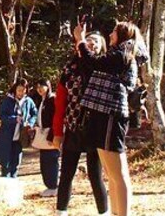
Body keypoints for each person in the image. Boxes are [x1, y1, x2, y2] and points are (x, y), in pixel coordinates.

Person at [75, 21, 148, 216]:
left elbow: (95, 63)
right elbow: (90, 66)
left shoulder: (123, 54)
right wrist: (80, 45)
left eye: (114, 31)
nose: (110, 35)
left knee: (118, 173)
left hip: (111, 115)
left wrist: (81, 41)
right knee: (111, 173)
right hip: (102, 113)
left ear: (123, 35)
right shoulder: (118, 53)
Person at [52, 30, 110, 216]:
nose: (91, 43)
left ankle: (104, 212)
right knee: (67, 173)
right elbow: (60, 103)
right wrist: (57, 132)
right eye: (89, 40)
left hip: (96, 129)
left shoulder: (104, 66)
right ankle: (61, 211)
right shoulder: (70, 68)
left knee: (95, 174)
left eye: (96, 42)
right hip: (73, 126)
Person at [0, 78, 37, 178]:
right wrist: (14, 119)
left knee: (16, 162)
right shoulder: (8, 100)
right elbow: (2, 116)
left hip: (20, 137)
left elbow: (34, 114)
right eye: (19, 90)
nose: (21, 93)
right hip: (7, 136)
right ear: (15, 89)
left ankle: (13, 181)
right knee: (6, 163)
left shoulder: (28, 101)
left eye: (23, 90)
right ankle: (5, 183)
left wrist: (30, 123)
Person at [32, 79, 60, 197]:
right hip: (43, 134)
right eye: (37, 87)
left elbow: (57, 118)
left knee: (51, 160)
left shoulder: (52, 99)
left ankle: (53, 186)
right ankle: (49, 186)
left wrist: (52, 135)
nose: (39, 89)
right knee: (44, 161)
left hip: (51, 134)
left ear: (48, 87)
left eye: (42, 86)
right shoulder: (42, 100)